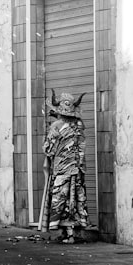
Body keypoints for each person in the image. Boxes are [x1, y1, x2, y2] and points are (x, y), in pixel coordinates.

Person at [40, 91, 89, 243]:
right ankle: (71, 233)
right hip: (77, 169)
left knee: (60, 200)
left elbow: (49, 149)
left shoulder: (56, 126)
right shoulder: (78, 126)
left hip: (61, 169)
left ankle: (68, 234)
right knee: (74, 200)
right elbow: (81, 147)